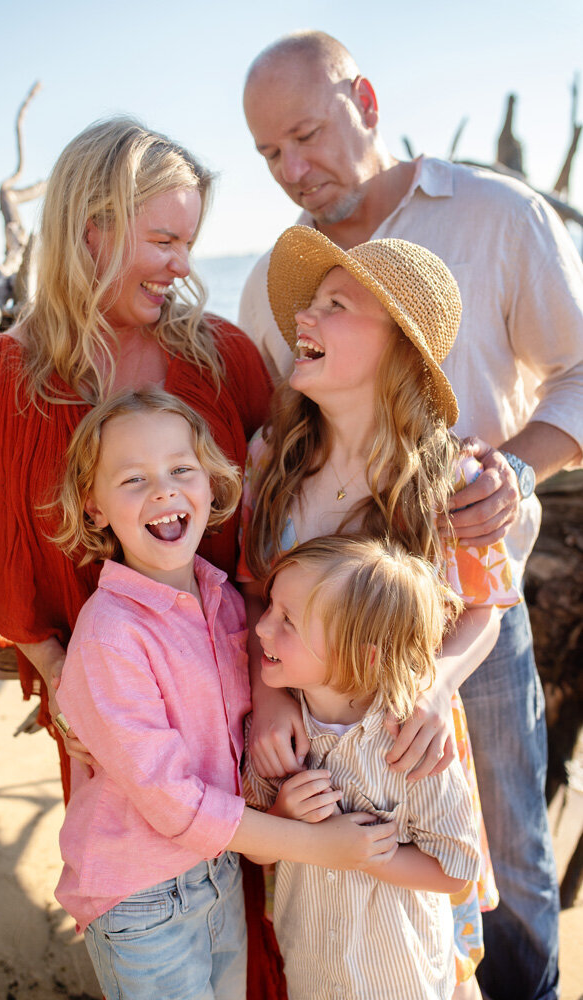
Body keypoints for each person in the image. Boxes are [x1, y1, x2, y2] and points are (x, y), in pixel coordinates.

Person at [239, 31, 583, 1000]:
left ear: (367, 100)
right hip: (316, 665)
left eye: (305, 135)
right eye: (269, 156)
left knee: (501, 847)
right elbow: (274, 470)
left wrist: (509, 469)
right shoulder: (293, 300)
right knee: (343, 865)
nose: (291, 170)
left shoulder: (498, 216)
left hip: (455, 614)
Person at [0, 116, 272, 800]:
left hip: (249, 698)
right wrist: (61, 680)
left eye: (189, 244)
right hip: (108, 719)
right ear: (90, 230)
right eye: (164, 240)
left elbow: (288, 494)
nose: (182, 266)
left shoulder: (222, 355)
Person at [238, 229, 522, 999]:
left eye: (335, 306)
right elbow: (253, 594)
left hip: (406, 743)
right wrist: (266, 700)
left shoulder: (453, 474)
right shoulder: (271, 459)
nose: (305, 318)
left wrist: (431, 687)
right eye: (309, 304)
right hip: (304, 741)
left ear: (400, 348)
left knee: (424, 942)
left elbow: (486, 609)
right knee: (322, 929)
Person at [52, 388, 402, 1000]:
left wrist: (278, 812)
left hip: (218, 873)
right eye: (133, 479)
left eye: (181, 470)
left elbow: (230, 748)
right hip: (140, 901)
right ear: (94, 506)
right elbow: (174, 803)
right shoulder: (110, 636)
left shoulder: (226, 605)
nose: (163, 491)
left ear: (211, 486)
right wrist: (320, 846)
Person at [244, 535, 482, 1000]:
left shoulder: (410, 744)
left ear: (363, 653)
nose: (262, 628)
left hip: (401, 977)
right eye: (270, 606)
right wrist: (283, 821)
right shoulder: (276, 735)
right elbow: (255, 851)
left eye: (288, 621)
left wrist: (370, 854)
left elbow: (457, 868)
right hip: (312, 969)